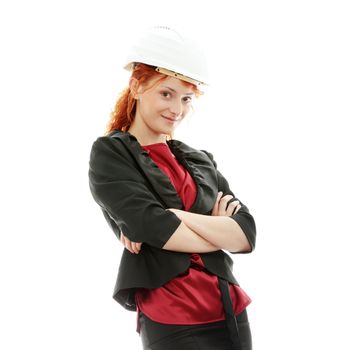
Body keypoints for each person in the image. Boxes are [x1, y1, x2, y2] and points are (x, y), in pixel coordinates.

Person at [88, 26, 256, 350]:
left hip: (229, 308)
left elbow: (245, 234)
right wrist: (217, 230)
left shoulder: (199, 159)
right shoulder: (111, 153)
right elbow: (151, 226)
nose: (177, 109)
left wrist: (175, 215)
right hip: (172, 318)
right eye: (166, 93)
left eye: (186, 98)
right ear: (137, 85)